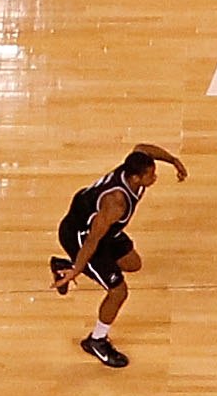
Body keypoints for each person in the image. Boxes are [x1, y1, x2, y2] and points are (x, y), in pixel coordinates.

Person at [53, 143, 181, 369]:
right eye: (150, 175)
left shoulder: (134, 168)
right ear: (134, 178)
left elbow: (143, 147)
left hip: (103, 230)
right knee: (118, 292)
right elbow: (92, 240)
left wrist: (172, 160)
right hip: (81, 237)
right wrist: (77, 269)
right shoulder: (115, 203)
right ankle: (96, 340)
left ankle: (63, 265)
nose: (155, 177)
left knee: (133, 263)